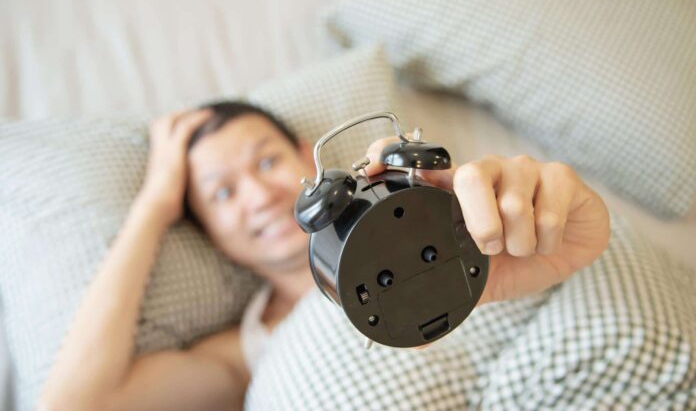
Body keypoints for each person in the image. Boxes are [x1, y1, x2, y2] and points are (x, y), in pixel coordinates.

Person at [38, 100, 610, 411]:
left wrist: (567, 235)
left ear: (302, 157)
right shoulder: (247, 349)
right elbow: (74, 406)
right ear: (209, 234)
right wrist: (154, 205)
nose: (259, 195)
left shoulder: (456, 218)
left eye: (267, 162)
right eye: (222, 193)